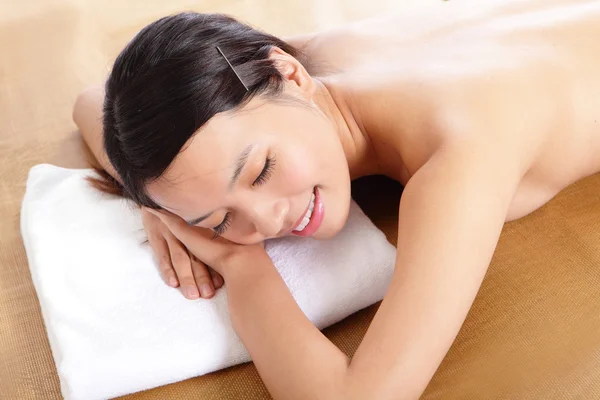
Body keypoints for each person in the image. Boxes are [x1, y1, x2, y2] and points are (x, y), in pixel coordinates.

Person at [72, 1, 600, 398]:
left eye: (262, 171)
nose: (267, 221)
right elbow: (91, 102)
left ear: (291, 75)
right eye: (220, 220)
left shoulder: (456, 152)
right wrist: (155, 198)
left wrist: (241, 263)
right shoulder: (296, 64)